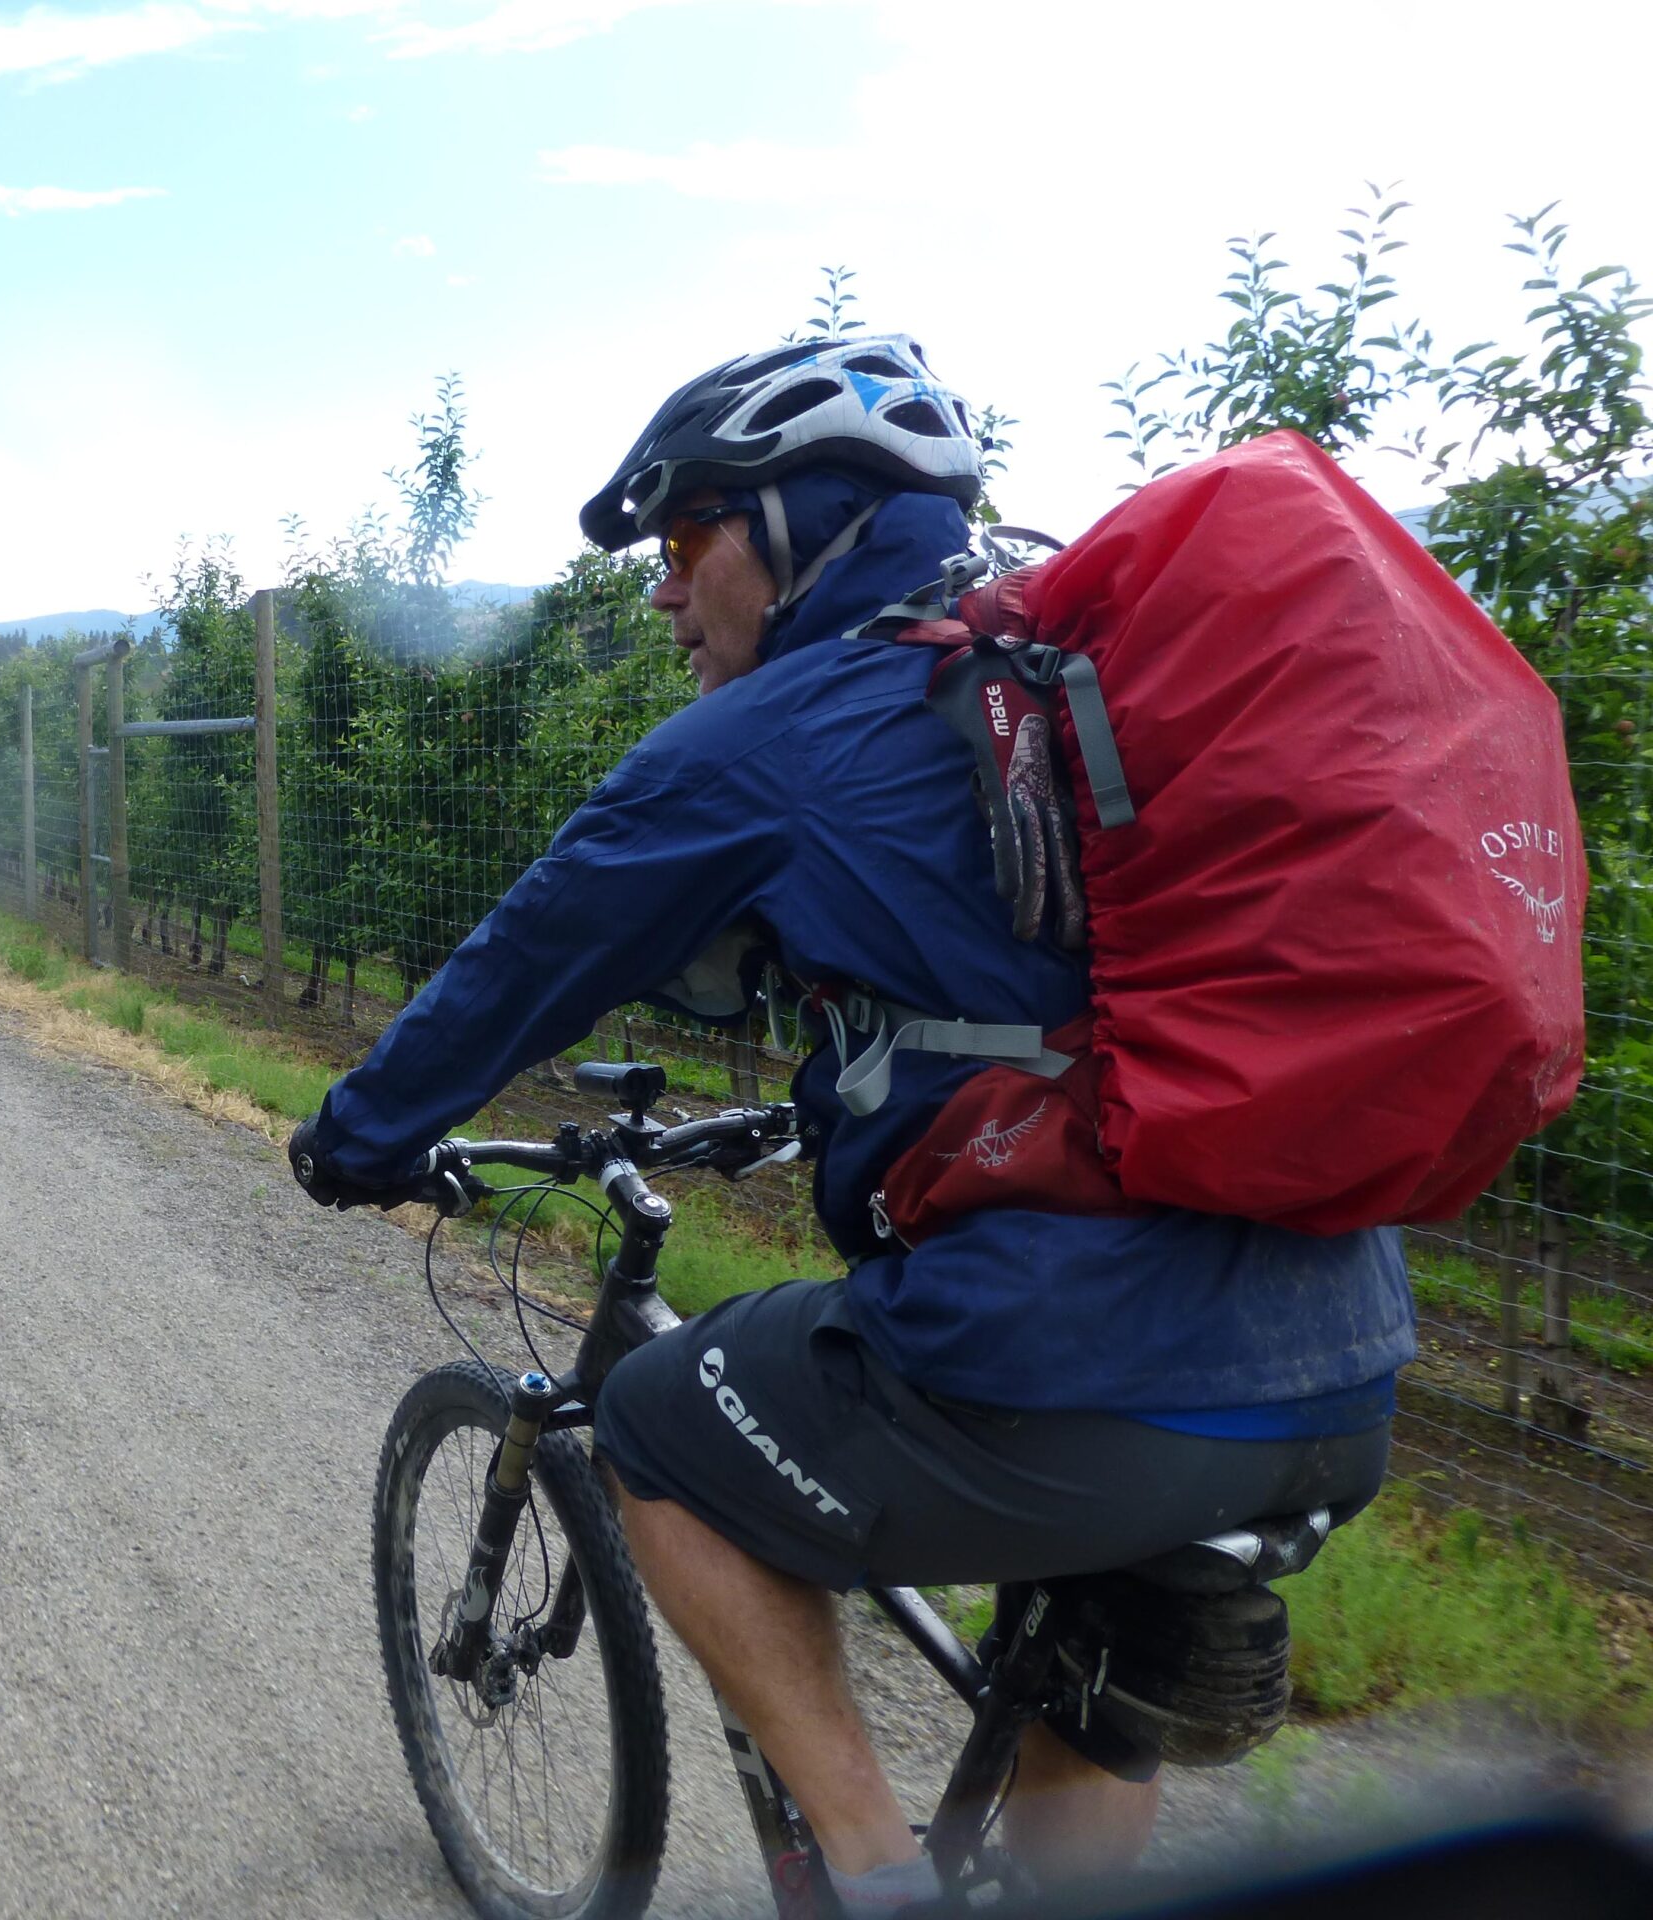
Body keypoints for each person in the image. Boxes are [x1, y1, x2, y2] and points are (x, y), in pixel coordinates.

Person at [287, 335, 1415, 1913]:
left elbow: (523, 964)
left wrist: (358, 1137)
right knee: (1084, 1650)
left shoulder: (776, 737)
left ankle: (876, 1885)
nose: (665, 595)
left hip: (1076, 1362)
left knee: (660, 1433)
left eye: (686, 544)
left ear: (800, 524)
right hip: (1341, 1356)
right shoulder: (1051, 685)